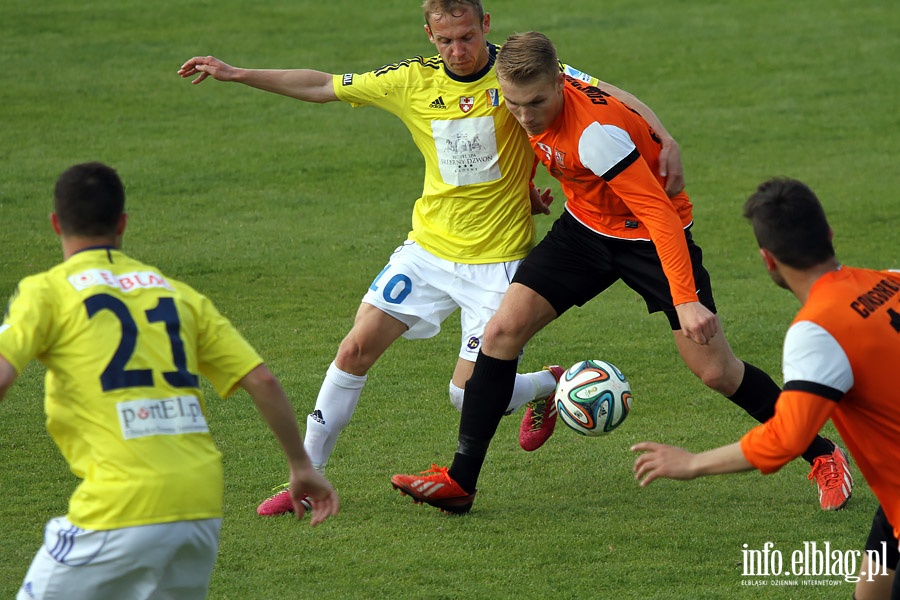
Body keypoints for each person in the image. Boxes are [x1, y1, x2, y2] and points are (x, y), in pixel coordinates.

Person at [178, 0, 687, 517]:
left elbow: (606, 94)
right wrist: (235, 73)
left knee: (467, 398)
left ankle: (547, 384)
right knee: (353, 349)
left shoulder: (516, 77)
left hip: (497, 260)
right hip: (427, 251)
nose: (458, 50)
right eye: (445, 40)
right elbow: (322, 85)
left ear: (485, 25)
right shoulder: (410, 81)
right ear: (429, 34)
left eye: (467, 36)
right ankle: (305, 479)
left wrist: (663, 136)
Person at [390, 31, 851, 515]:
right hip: (586, 228)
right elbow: (608, 94)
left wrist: (686, 297)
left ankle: (824, 455)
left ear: (559, 82)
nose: (525, 115)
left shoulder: (596, 137)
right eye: (515, 103)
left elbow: (661, 216)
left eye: (536, 103)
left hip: (649, 239)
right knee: (501, 331)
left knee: (715, 370)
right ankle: (460, 482)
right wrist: (659, 138)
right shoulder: (534, 90)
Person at [0, 162, 339, 600]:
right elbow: (262, 380)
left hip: (118, 506)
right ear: (123, 223)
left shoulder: (47, 291)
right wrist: (300, 465)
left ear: (54, 224)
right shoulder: (176, 293)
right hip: (197, 511)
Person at [633, 178, 900, 599]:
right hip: (894, 495)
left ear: (767, 260)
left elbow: (785, 438)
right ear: (829, 234)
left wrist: (693, 464)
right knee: (871, 591)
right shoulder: (891, 279)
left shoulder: (817, 331)